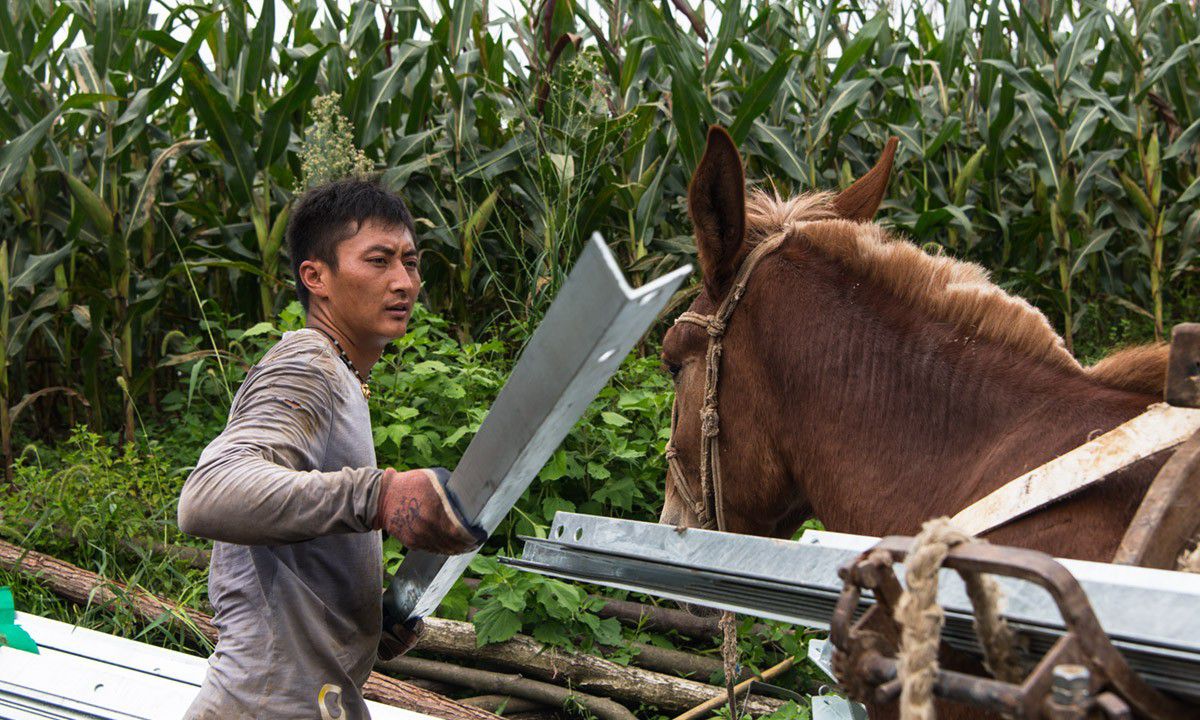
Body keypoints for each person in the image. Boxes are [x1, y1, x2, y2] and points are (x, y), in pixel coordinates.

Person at [177, 177, 484, 719]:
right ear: (315, 277)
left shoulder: (341, 376)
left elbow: (292, 564)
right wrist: (381, 496)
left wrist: (364, 625)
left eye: (411, 263)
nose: (404, 282)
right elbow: (208, 494)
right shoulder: (308, 364)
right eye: (379, 260)